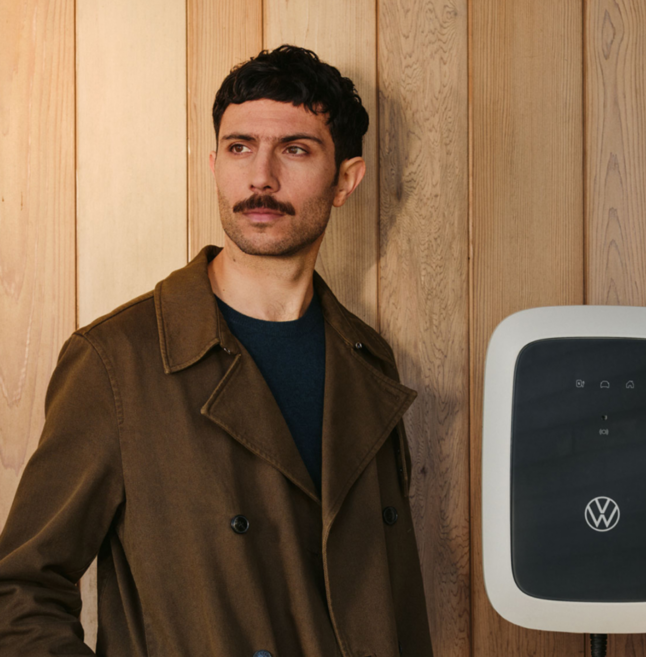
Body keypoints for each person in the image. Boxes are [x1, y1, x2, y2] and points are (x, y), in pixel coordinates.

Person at [0, 45, 433, 656]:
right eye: (239, 148)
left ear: (345, 180)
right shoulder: (117, 362)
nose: (261, 177)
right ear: (214, 165)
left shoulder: (369, 361)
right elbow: (20, 590)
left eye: (295, 149)